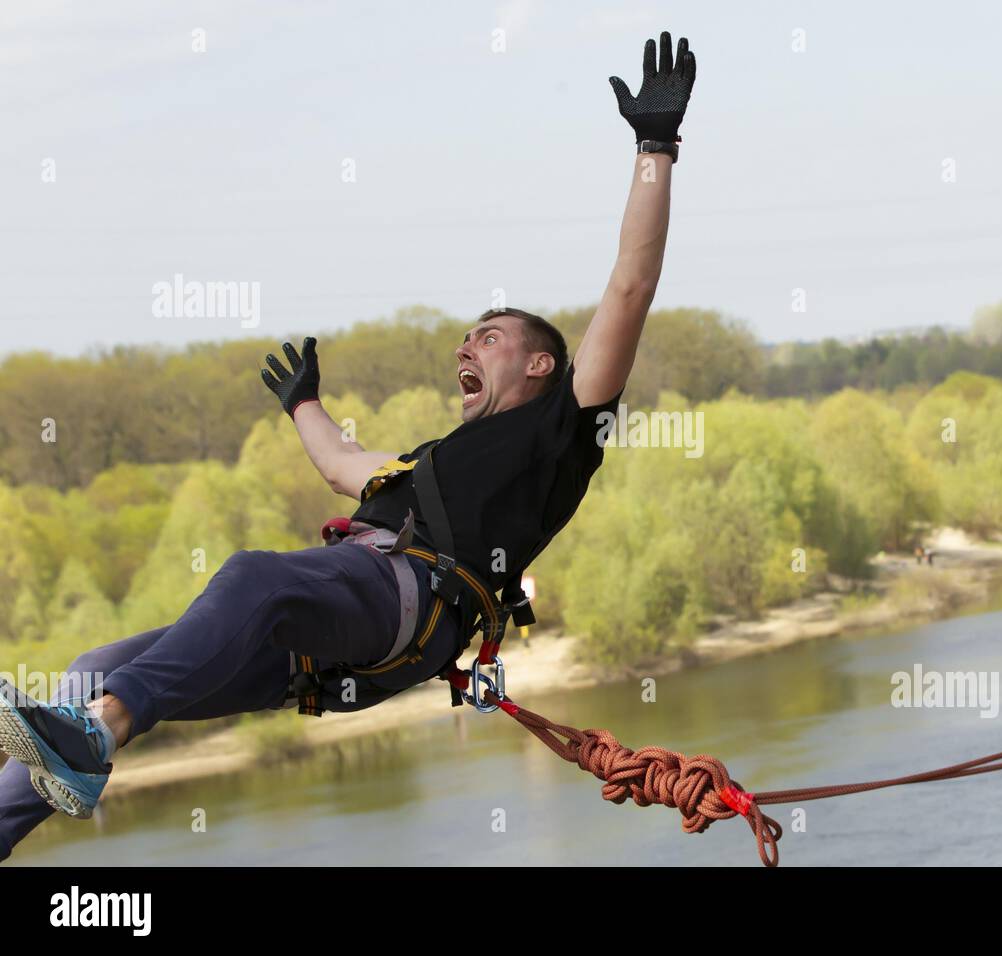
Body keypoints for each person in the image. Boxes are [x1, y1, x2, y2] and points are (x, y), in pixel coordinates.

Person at [0, 32, 696, 863]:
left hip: (402, 600)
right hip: (320, 632)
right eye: (465, 338)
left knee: (250, 578)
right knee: (92, 665)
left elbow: (632, 283)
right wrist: (303, 405)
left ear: (541, 364)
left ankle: (97, 737)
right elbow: (341, 465)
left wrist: (654, 147)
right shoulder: (424, 465)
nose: (465, 348)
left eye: (490, 336)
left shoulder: (562, 429)